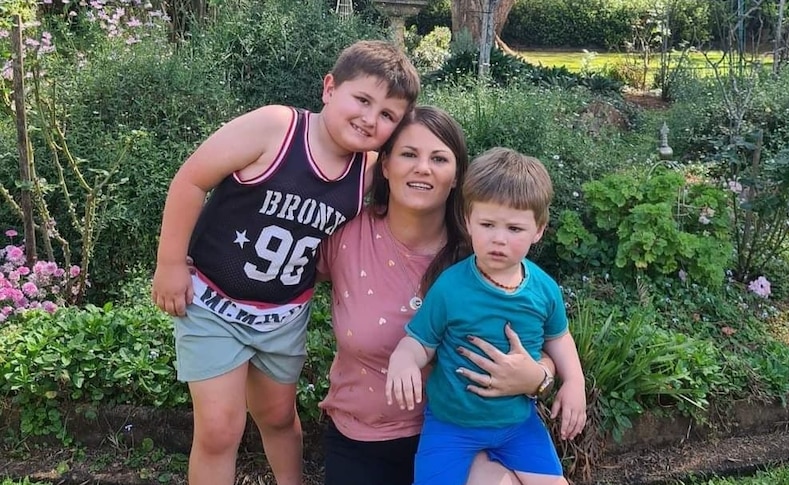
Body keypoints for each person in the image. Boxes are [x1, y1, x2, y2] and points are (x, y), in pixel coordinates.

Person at [150, 40, 419, 485]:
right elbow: (192, 179)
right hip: (215, 303)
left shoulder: (369, 171)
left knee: (277, 416)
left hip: (284, 315)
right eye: (363, 100)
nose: (371, 119)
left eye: (388, 115)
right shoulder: (276, 129)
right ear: (330, 87)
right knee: (220, 429)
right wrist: (170, 263)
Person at [316, 106, 559, 485]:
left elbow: (543, 342)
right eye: (409, 154)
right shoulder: (347, 236)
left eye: (439, 158)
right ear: (385, 164)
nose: (423, 168)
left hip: (460, 434)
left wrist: (538, 379)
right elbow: (281, 278)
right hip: (362, 438)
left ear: (457, 175)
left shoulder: (481, 256)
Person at [386, 147, 588, 485]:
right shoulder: (450, 287)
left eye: (514, 228)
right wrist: (404, 360)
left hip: (517, 426)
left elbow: (558, 337)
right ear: (468, 220)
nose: (498, 239)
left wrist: (575, 383)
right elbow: (421, 342)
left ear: (539, 229)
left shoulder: (543, 289)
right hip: (451, 426)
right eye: (487, 224)